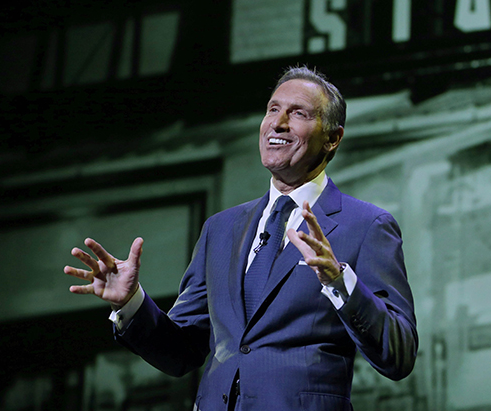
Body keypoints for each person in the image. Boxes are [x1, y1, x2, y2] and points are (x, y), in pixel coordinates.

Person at [63, 66, 418, 411]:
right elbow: (181, 353)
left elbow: (398, 354)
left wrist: (340, 283)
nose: (278, 123)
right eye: (273, 109)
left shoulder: (366, 225)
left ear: (332, 138)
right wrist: (131, 303)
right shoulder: (221, 229)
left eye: (298, 113)